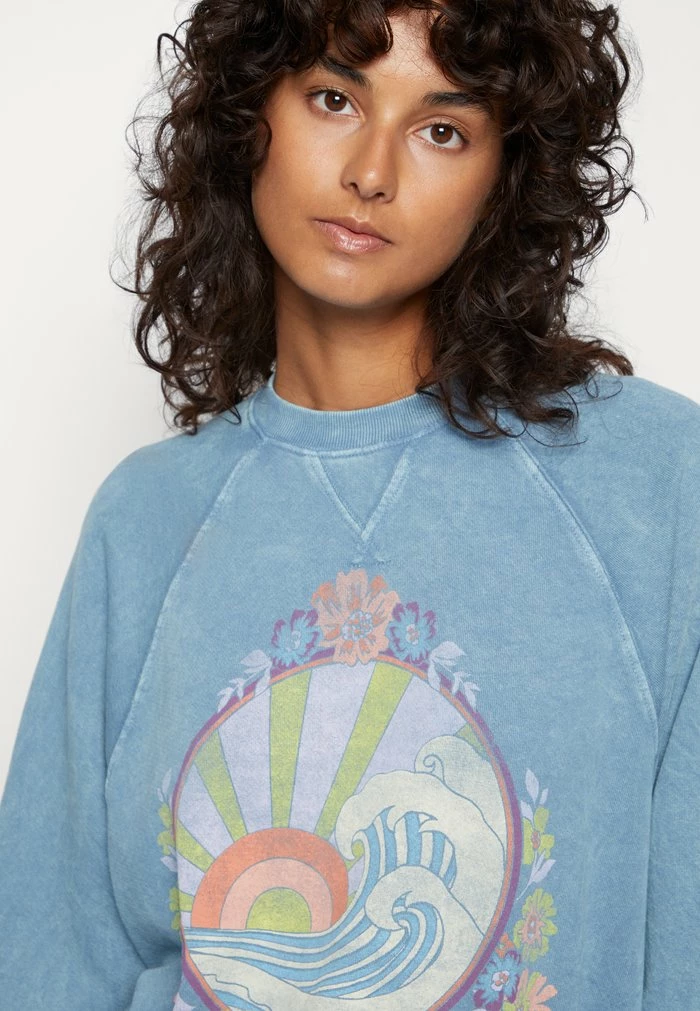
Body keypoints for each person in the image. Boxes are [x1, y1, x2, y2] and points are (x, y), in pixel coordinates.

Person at [1, 1, 698, 1008]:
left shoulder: (655, 484)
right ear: (251, 114)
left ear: (504, 179)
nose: (372, 172)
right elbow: (51, 959)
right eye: (334, 99)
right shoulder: (145, 520)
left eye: (441, 129)